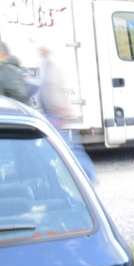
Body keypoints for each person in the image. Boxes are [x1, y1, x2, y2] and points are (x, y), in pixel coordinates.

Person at [38, 45, 98, 183]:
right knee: (70, 148)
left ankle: (89, 174)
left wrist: (61, 112)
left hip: (57, 115)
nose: (40, 51)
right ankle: (85, 175)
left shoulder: (54, 68)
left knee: (71, 150)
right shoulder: (48, 66)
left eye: (42, 48)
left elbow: (59, 92)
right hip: (53, 115)